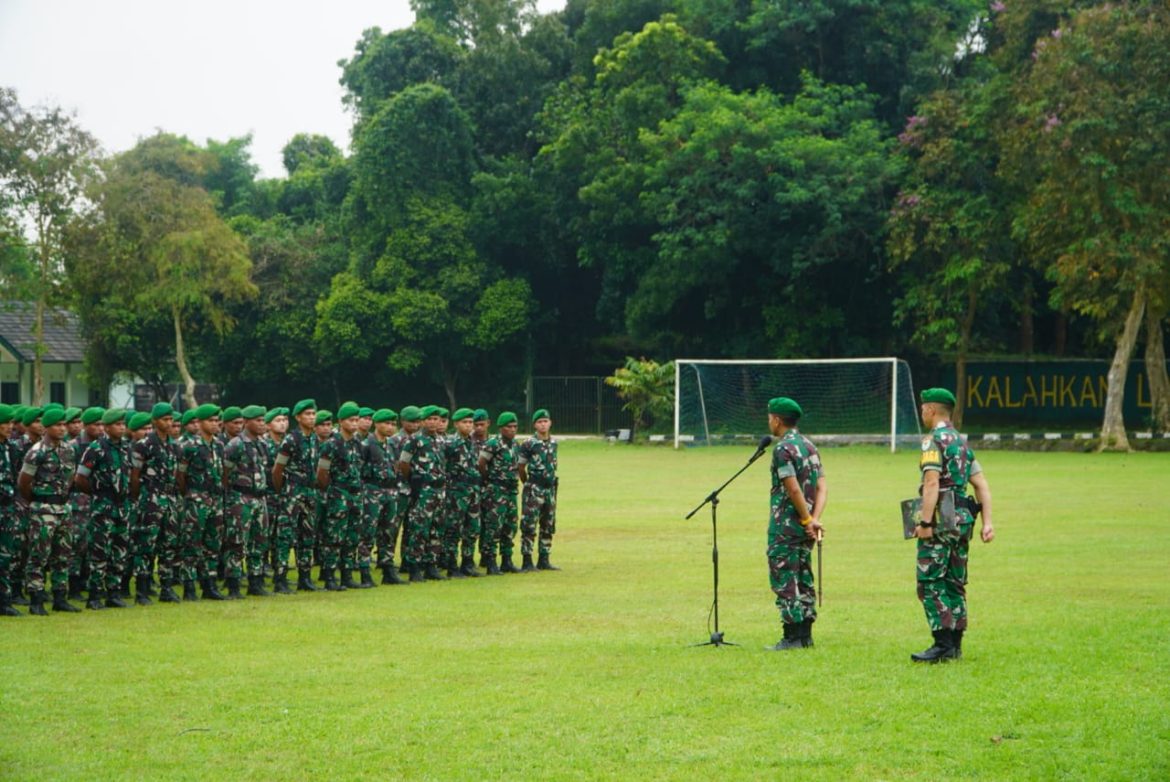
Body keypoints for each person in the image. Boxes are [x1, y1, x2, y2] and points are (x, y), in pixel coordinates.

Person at [910, 388, 995, 663]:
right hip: (963, 520)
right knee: (955, 582)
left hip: (941, 519)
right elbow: (981, 484)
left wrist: (924, 522)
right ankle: (955, 644)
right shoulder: (961, 442)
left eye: (924, 408)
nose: (922, 413)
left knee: (931, 581)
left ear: (931, 410)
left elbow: (932, 482)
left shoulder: (932, 442)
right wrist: (988, 523)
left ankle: (941, 643)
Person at [764, 397, 827, 651]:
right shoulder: (809, 446)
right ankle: (805, 635)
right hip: (806, 527)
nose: (769, 421)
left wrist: (805, 518)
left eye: (769, 417)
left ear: (777, 420)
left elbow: (792, 488)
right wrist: (814, 519)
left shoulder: (783, 449)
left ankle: (792, 637)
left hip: (787, 526)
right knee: (803, 576)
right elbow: (822, 485)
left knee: (785, 577)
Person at [19, 406, 80, 615]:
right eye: (57, 425)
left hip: (64, 508)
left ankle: (60, 597)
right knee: (39, 555)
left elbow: (71, 477)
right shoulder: (36, 452)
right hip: (43, 508)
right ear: (46, 427)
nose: (62, 428)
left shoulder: (69, 449)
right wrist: (38, 502)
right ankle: (36, 599)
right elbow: (23, 483)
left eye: (64, 424)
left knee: (63, 555)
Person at [75, 408, 134, 609]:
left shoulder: (127, 448)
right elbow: (80, 478)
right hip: (103, 506)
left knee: (120, 549)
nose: (122, 427)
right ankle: (94, 595)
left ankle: (114, 593)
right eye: (117, 424)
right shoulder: (95, 448)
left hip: (122, 506)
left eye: (123, 424)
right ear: (107, 427)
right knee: (99, 550)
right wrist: (97, 494)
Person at [130, 403, 180, 605]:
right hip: (150, 499)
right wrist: (140, 498)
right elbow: (134, 476)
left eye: (171, 419)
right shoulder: (144, 445)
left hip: (169, 499)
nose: (169, 423)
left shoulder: (174, 445)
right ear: (154, 421)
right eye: (165, 419)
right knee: (146, 545)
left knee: (169, 545)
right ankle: (142, 590)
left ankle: (166, 588)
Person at [176, 404, 227, 601]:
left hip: (214, 499)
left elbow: (222, 473)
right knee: (191, 544)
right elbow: (180, 475)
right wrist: (189, 495)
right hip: (196, 499)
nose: (215, 424)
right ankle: (189, 587)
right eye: (211, 421)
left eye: (217, 421)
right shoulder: (188, 446)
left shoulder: (219, 445)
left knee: (212, 544)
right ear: (199, 422)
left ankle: (209, 585)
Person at [316, 402, 364, 591]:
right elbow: (322, 473)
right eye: (351, 420)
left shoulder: (357, 443)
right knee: (333, 536)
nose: (354, 423)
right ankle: (329, 577)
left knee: (352, 537)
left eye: (356, 420)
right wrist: (332, 491)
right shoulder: (331, 444)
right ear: (341, 422)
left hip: (355, 494)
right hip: (338, 493)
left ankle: (347, 575)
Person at [223, 405, 270, 598]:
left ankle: (255, 582)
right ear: (247, 422)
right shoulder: (236, 444)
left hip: (259, 498)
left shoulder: (262, 444)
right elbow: (225, 474)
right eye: (258, 421)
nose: (262, 424)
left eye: (263, 420)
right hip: (240, 498)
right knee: (236, 542)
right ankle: (233, 584)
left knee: (258, 542)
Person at [273, 399, 319, 592]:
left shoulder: (314, 438)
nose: (311, 417)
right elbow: (277, 469)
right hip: (292, 491)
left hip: (310, 491)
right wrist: (282, 492)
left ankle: (305, 577)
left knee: (307, 535)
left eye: (313, 414)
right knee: (285, 535)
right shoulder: (291, 439)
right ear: (298, 418)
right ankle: (280, 578)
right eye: (307, 414)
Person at [398, 406, 447, 582]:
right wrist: (413, 480)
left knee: (436, 528)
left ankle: (431, 565)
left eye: (437, 419)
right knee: (419, 529)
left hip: (439, 490)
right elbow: (403, 463)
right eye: (430, 419)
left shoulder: (441, 440)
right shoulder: (414, 440)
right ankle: (414, 566)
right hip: (423, 490)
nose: (434, 422)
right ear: (423, 421)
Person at [361, 408, 401, 586]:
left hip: (390, 491)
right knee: (368, 532)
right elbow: (359, 469)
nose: (390, 427)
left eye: (393, 424)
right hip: (372, 490)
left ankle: (387, 568)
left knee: (388, 532)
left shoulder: (392, 444)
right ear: (376, 424)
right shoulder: (366, 444)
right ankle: (364, 570)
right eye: (387, 423)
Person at [478, 412, 520, 575]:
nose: (512, 430)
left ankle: (507, 560)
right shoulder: (493, 443)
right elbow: (481, 464)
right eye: (508, 427)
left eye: (514, 427)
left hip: (511, 490)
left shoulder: (515, 444)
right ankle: (490, 561)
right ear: (501, 428)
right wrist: (491, 479)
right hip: (496, 490)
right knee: (493, 526)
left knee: (510, 526)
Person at [518, 408, 560, 572]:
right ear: (535, 425)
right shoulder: (529, 443)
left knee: (548, 524)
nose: (543, 425)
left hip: (549, 488)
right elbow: (520, 467)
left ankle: (544, 558)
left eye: (545, 421)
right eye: (539, 422)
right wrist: (528, 483)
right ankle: (527, 560)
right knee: (529, 525)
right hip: (534, 487)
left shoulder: (554, 443)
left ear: (550, 423)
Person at [442, 408, 482, 578]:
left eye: (470, 422)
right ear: (456, 424)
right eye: (464, 422)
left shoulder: (472, 443)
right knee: (453, 529)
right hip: (456, 491)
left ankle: (468, 562)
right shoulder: (450, 444)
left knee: (472, 528)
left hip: (472, 491)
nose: (468, 425)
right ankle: (451, 565)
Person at [0, 405, 22, 616]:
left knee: (5, 555)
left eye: (11, 423)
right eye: (5, 423)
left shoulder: (12, 448)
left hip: (6, 509)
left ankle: (4, 601)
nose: (9, 427)